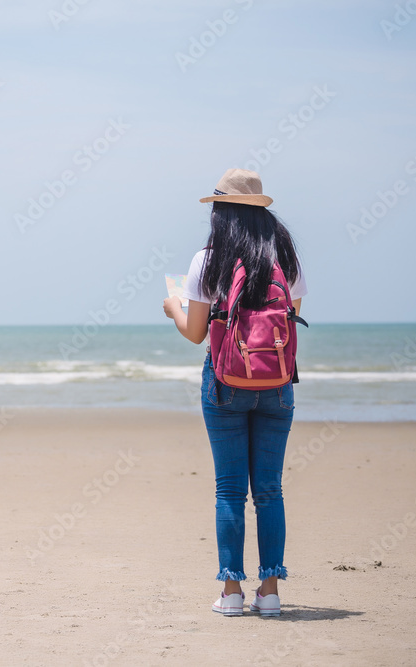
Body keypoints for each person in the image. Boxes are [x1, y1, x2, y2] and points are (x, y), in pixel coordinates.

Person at [163, 168, 307, 617]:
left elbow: (195, 332)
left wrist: (173, 307)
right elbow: (288, 323)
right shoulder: (287, 259)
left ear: (221, 212)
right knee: (269, 490)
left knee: (229, 491)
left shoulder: (209, 260)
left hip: (225, 382)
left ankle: (230, 593)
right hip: (278, 385)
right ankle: (270, 593)